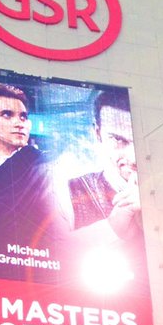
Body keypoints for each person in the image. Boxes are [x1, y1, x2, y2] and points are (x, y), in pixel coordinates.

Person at [0, 81, 56, 279]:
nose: (19, 123)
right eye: (7, 115)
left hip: (36, 269)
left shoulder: (47, 165)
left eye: (23, 117)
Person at [64, 87, 141, 240]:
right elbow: (53, 247)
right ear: (97, 134)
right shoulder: (68, 192)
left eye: (140, 141)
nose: (133, 158)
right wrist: (112, 228)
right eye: (118, 140)